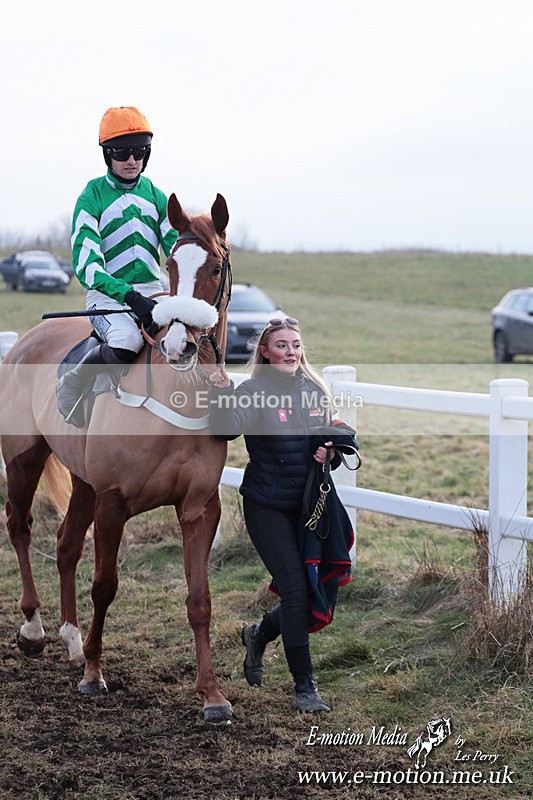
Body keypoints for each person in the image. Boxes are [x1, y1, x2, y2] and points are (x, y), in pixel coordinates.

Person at [208, 318, 357, 713]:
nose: (291, 351)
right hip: (268, 507)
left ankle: (259, 633)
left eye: (295, 344)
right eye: (281, 345)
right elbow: (225, 430)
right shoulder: (252, 392)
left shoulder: (314, 390)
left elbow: (335, 438)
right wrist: (219, 393)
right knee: (295, 589)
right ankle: (305, 687)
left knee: (318, 592)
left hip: (312, 508)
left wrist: (333, 451)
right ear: (264, 351)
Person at [56, 106, 178, 426]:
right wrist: (128, 296)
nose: (131, 160)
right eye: (122, 152)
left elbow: (175, 249)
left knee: (188, 336)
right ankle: (74, 381)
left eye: (140, 152)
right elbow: (87, 266)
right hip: (107, 297)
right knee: (127, 342)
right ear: (107, 155)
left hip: (154, 292)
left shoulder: (156, 196)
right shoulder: (92, 194)